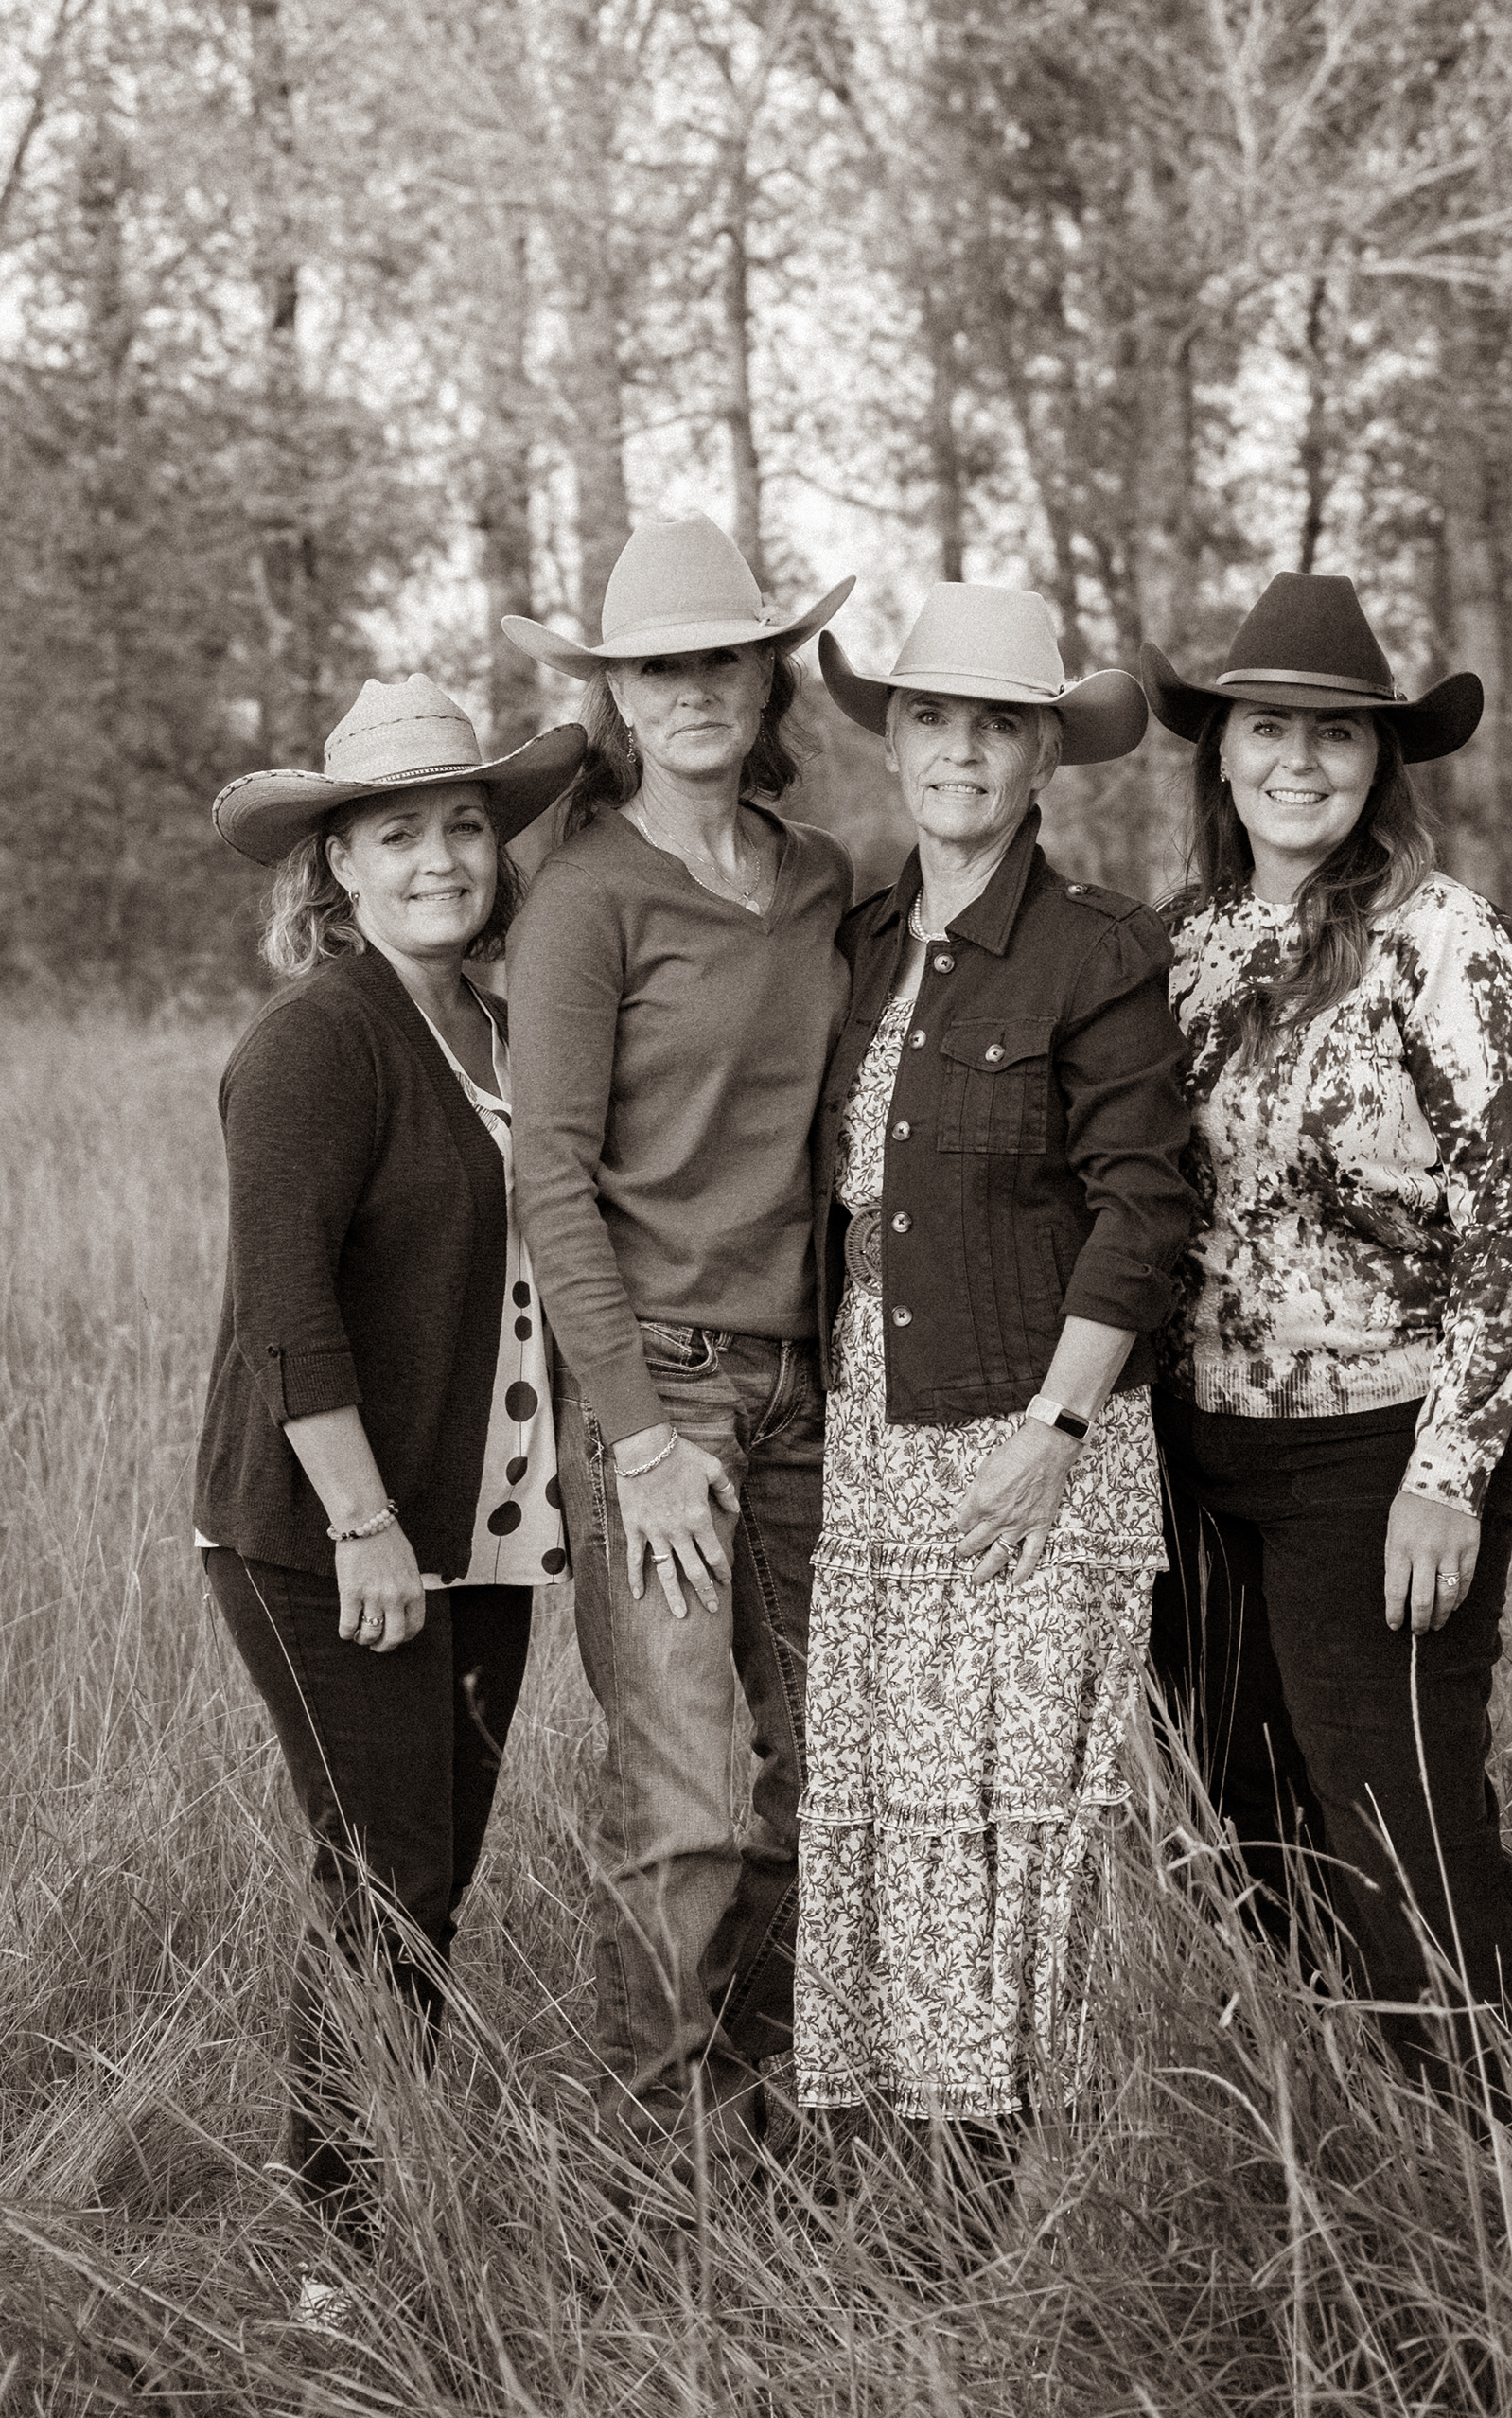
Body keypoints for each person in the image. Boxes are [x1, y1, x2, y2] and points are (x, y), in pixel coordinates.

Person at [1140, 571, 1512, 2113]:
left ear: (1381, 758)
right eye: (1267, 727)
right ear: (1223, 750)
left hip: (1377, 1452)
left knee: (1402, 1816)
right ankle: (1367, 2109)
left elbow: (1508, 1224)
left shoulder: (1448, 943)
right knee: (1243, 1807)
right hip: (1195, 1450)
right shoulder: (1180, 943)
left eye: (1334, 732)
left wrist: (1448, 1473)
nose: (1297, 760)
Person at [794, 584, 1193, 2191]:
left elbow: (1144, 1208)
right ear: (893, 742)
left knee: (1025, 1825)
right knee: (903, 1814)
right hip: (878, 1430)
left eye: (998, 726)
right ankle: (917, 2189)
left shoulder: (1098, 948)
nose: (961, 750)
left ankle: (1047, 2188)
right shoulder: (860, 943)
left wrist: (1055, 1428)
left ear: (1045, 758)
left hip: (1041, 1438)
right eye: (933, 718)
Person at [197, 675, 586, 2280]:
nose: (440, 859)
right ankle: (339, 2254)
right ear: (338, 864)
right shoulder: (317, 1042)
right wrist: (363, 1523)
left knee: (430, 1873)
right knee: (385, 1874)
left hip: (480, 1520)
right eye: (400, 833)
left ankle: (383, 2187)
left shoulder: (499, 1025)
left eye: (464, 826)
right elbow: (284, 1311)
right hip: (331, 1530)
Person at [501, 513, 857, 2172]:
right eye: (660, 668)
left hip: (807, 1388)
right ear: (619, 698)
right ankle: (663, 2197)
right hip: (663, 1393)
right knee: (687, 1802)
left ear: (766, 678)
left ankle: (763, 2128)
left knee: (815, 1785)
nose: (697, 687)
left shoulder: (819, 880)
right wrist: (639, 1438)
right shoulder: (584, 899)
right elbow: (551, 1181)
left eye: (725, 658)